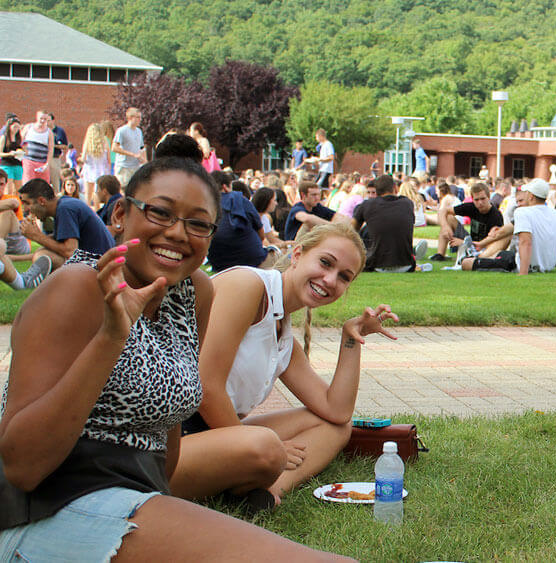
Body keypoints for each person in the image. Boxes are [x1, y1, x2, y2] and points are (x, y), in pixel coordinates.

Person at [0, 155, 351, 561]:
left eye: (198, 223)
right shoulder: (79, 287)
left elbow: (167, 445)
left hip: (140, 492)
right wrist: (112, 337)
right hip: (50, 508)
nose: (178, 233)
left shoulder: (192, 292)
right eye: (161, 212)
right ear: (120, 213)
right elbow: (21, 467)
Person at [170, 222, 396, 509]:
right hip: (168, 443)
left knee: (335, 426)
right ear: (298, 254)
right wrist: (253, 445)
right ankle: (245, 474)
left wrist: (351, 338)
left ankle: (263, 493)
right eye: (325, 263)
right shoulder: (248, 286)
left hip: (211, 437)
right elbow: (206, 385)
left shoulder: (283, 334)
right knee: (264, 445)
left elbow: (336, 410)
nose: (329, 279)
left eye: (343, 277)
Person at [461, 179, 556, 274]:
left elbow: (525, 242)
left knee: (466, 263)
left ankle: (472, 256)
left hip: (520, 264)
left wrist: (523, 272)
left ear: (531, 196)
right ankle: (479, 253)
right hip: (548, 265)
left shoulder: (522, 212)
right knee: (502, 254)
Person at [19, 178, 115, 270]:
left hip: (101, 264)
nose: (25, 209)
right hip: (102, 261)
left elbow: (70, 251)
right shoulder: (64, 204)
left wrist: (37, 236)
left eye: (27, 203)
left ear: (41, 201)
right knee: (42, 252)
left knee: (44, 256)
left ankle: (25, 284)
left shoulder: (65, 209)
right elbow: (58, 243)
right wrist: (14, 258)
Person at [208, 171, 276, 271]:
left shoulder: (205, 204)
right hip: (253, 260)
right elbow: (260, 233)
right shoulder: (240, 199)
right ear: (225, 187)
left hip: (219, 264)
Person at [351, 174, 417, 272]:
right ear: (395, 188)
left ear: (376, 192)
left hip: (376, 265)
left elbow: (351, 231)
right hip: (406, 265)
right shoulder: (407, 203)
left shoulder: (367, 205)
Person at [0, 169, 50, 289]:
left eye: (1, 184)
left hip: (17, 243)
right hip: (4, 248)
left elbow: (14, 204)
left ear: (6, 185)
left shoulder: (11, 198)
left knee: (7, 213)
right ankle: (22, 283)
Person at [436, 183, 505, 262]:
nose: (480, 202)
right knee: (449, 218)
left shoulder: (496, 216)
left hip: (484, 248)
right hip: (470, 241)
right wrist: (445, 227)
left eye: (483, 199)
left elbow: (493, 243)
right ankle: (440, 255)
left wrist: (463, 242)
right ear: (472, 199)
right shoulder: (471, 207)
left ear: (489, 197)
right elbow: (443, 210)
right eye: (476, 199)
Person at [81, 122, 113, 206]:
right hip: (102, 170)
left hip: (89, 169)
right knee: (97, 192)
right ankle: (97, 209)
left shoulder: (87, 142)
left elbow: (83, 159)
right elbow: (108, 159)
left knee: (88, 193)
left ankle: (87, 211)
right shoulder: (105, 141)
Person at [112, 107, 145, 186]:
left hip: (135, 166)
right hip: (124, 167)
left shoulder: (139, 131)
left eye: (140, 117)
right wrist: (132, 154)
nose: (140, 119)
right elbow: (114, 148)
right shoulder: (122, 131)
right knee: (124, 189)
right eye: (137, 117)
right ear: (130, 118)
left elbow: (141, 148)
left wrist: (144, 161)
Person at [20, 111, 53, 183]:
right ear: (37, 117)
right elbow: (20, 141)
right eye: (41, 118)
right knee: (28, 184)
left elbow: (51, 149)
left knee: (42, 185)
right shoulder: (28, 127)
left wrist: (47, 164)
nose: (43, 121)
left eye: (45, 119)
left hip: (42, 163)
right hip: (28, 161)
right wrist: (23, 150)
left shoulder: (49, 132)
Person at [48, 113, 69, 190]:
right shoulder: (44, 131)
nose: (47, 122)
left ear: (53, 120)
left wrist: (53, 145)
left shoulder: (59, 131)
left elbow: (65, 146)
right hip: (44, 158)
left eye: (48, 120)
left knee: (55, 181)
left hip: (55, 157)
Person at [0, 117, 23, 190]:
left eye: (18, 127)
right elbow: (0, 153)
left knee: (18, 189)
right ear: (9, 127)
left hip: (17, 163)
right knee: (8, 188)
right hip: (7, 164)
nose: (16, 129)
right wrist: (9, 154)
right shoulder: (4, 138)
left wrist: (22, 152)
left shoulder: (19, 138)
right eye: (14, 127)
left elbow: (22, 149)